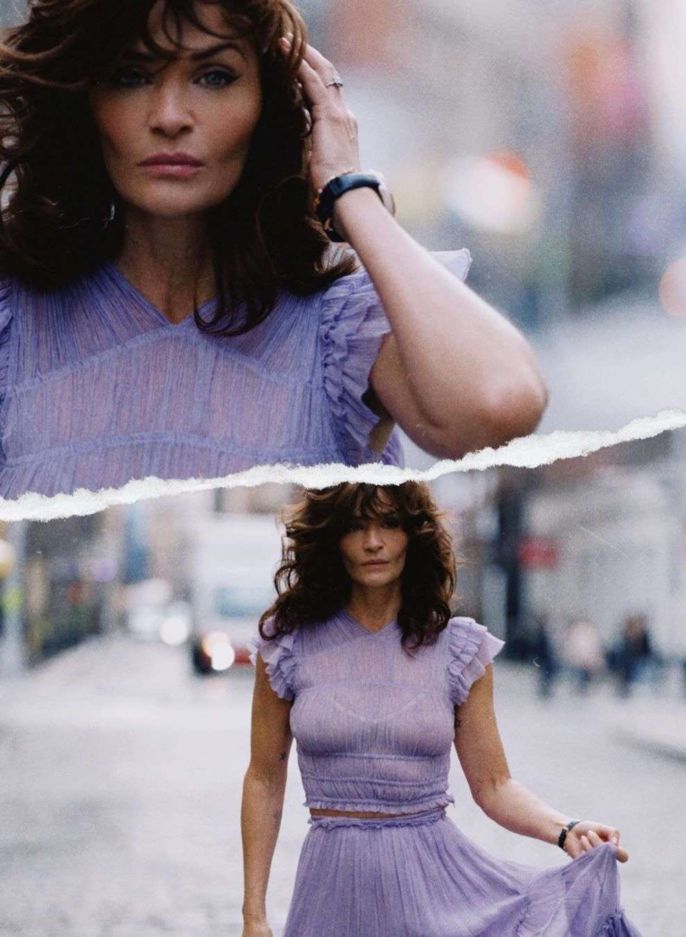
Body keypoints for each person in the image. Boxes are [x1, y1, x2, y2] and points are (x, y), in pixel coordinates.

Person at [0, 0, 547, 501]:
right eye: (131, 76)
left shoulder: (340, 335)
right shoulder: (14, 323)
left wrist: (348, 189)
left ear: (268, 102)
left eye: (214, 76)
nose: (169, 116)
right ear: (85, 100)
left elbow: (498, 405)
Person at [242, 482, 643, 937]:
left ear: (413, 535)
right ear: (333, 538)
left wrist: (565, 829)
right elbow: (264, 779)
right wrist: (253, 915)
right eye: (355, 527)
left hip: (436, 891)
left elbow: (494, 785)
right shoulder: (288, 646)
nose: (373, 542)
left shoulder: (458, 650)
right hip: (330, 893)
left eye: (389, 524)